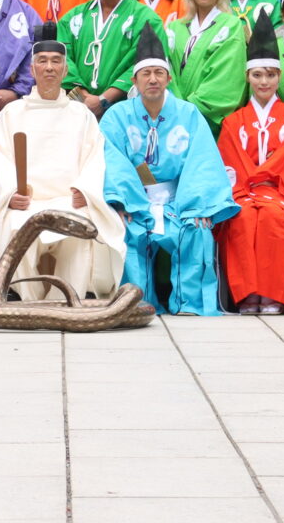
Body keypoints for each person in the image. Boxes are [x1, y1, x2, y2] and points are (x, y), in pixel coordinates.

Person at [0, 25, 127, 300]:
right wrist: (11, 193)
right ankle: (26, 299)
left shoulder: (81, 115)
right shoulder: (12, 113)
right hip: (26, 201)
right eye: (42, 61)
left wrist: (85, 190)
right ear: (32, 70)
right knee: (15, 225)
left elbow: (94, 158)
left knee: (81, 227)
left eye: (56, 61)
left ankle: (69, 299)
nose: (49, 68)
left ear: (65, 70)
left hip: (69, 200)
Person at [98, 27, 236, 315]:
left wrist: (196, 205)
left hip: (178, 201)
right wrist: (123, 201)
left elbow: (202, 162)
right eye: (145, 73)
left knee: (195, 230)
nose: (152, 79)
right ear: (134, 80)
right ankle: (136, 304)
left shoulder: (188, 114)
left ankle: (190, 303)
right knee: (125, 229)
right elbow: (112, 161)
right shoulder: (116, 116)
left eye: (158, 73)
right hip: (136, 200)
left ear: (169, 78)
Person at [216, 16, 284, 314]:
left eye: (271, 75)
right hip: (244, 194)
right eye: (258, 75)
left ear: (280, 77)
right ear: (248, 77)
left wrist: (263, 184)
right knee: (242, 218)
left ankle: (274, 294)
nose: (264, 82)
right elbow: (229, 164)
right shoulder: (233, 121)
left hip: (282, 192)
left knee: (274, 217)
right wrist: (247, 190)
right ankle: (248, 293)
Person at [164, 0, 248, 130]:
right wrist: (174, 105)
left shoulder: (231, 25)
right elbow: (165, 70)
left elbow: (227, 77)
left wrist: (187, 108)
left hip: (206, 121)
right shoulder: (174, 27)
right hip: (171, 116)